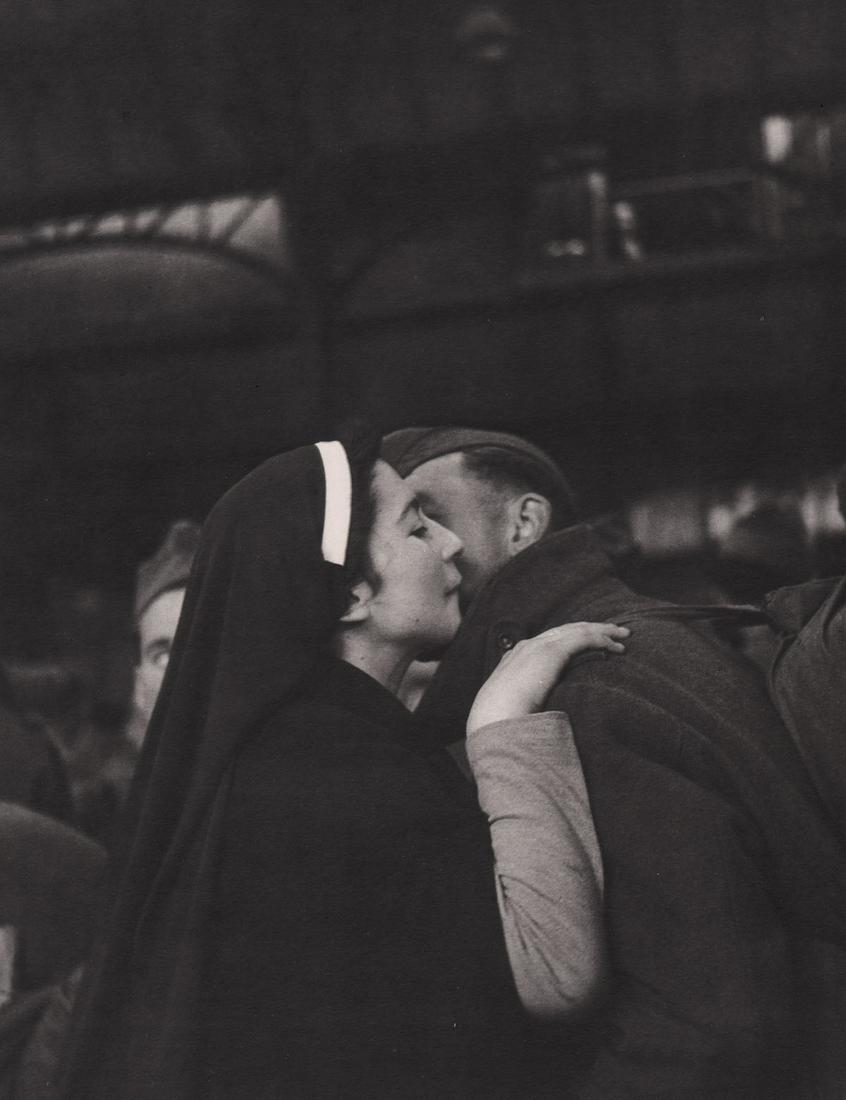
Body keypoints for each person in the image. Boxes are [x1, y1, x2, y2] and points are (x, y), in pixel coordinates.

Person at [58, 428, 627, 1100]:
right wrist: (505, 722)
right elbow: (559, 976)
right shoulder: (353, 775)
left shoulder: (288, 754)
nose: (450, 545)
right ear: (353, 592)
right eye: (419, 526)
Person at [382, 424, 846, 1099]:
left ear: (525, 523)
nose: (433, 547)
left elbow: (709, 1026)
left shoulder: (586, 687)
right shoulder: (635, 642)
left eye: (429, 516)